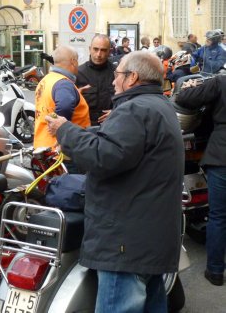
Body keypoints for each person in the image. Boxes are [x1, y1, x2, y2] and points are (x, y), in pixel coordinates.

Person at [45, 51, 184, 312]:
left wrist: (65, 130)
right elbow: (120, 144)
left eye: (117, 74)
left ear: (132, 78)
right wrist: (84, 133)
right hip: (147, 237)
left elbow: (103, 156)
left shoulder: (136, 109)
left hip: (126, 243)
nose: (112, 80)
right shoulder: (158, 104)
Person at [175, 75, 226, 286]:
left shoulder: (220, 82)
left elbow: (186, 99)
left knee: (218, 215)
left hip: (221, 155)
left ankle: (215, 271)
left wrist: (189, 86)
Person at [34, 44, 90, 150]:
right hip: (62, 151)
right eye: (77, 61)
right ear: (73, 61)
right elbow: (65, 107)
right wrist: (61, 130)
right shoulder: (64, 84)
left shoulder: (46, 80)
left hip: (42, 145)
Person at [76, 34, 115, 126]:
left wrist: (116, 112)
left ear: (110, 51)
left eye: (103, 50)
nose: (99, 54)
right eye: (96, 49)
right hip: (85, 127)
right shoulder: (78, 73)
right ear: (90, 49)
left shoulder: (118, 73)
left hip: (111, 126)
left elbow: (127, 100)